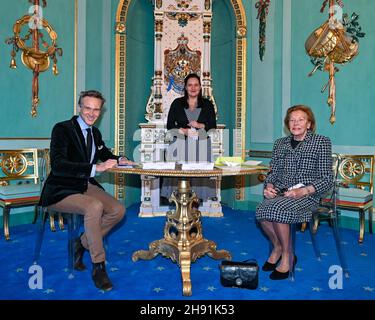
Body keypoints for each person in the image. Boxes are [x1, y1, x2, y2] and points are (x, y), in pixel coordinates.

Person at [39, 90, 134, 291]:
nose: (91, 113)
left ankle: (81, 243)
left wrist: (120, 159)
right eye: (88, 108)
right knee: (95, 207)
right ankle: (98, 266)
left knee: (118, 210)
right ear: (80, 107)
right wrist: (95, 168)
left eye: (96, 110)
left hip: (84, 185)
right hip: (61, 189)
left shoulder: (95, 132)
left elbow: (104, 152)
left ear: (100, 111)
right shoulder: (62, 129)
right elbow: (59, 165)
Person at [256, 105, 333, 280]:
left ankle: (288, 256)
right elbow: (273, 172)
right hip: (281, 193)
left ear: (309, 124)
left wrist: (304, 190)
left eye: (301, 119)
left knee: (277, 210)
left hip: (308, 195)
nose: (296, 123)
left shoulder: (321, 142)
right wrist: (268, 186)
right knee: (261, 211)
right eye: (292, 120)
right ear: (287, 124)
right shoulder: (280, 144)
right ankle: (278, 247)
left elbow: (327, 178)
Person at [161, 73, 217, 204]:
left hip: (201, 145)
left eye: (196, 85)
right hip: (180, 144)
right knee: (180, 177)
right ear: (185, 87)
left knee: (198, 177)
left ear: (200, 87)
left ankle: (195, 207)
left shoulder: (208, 104)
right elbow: (170, 125)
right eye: (190, 85)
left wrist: (200, 125)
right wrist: (184, 131)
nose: (193, 88)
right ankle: (179, 206)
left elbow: (212, 125)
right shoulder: (177, 103)